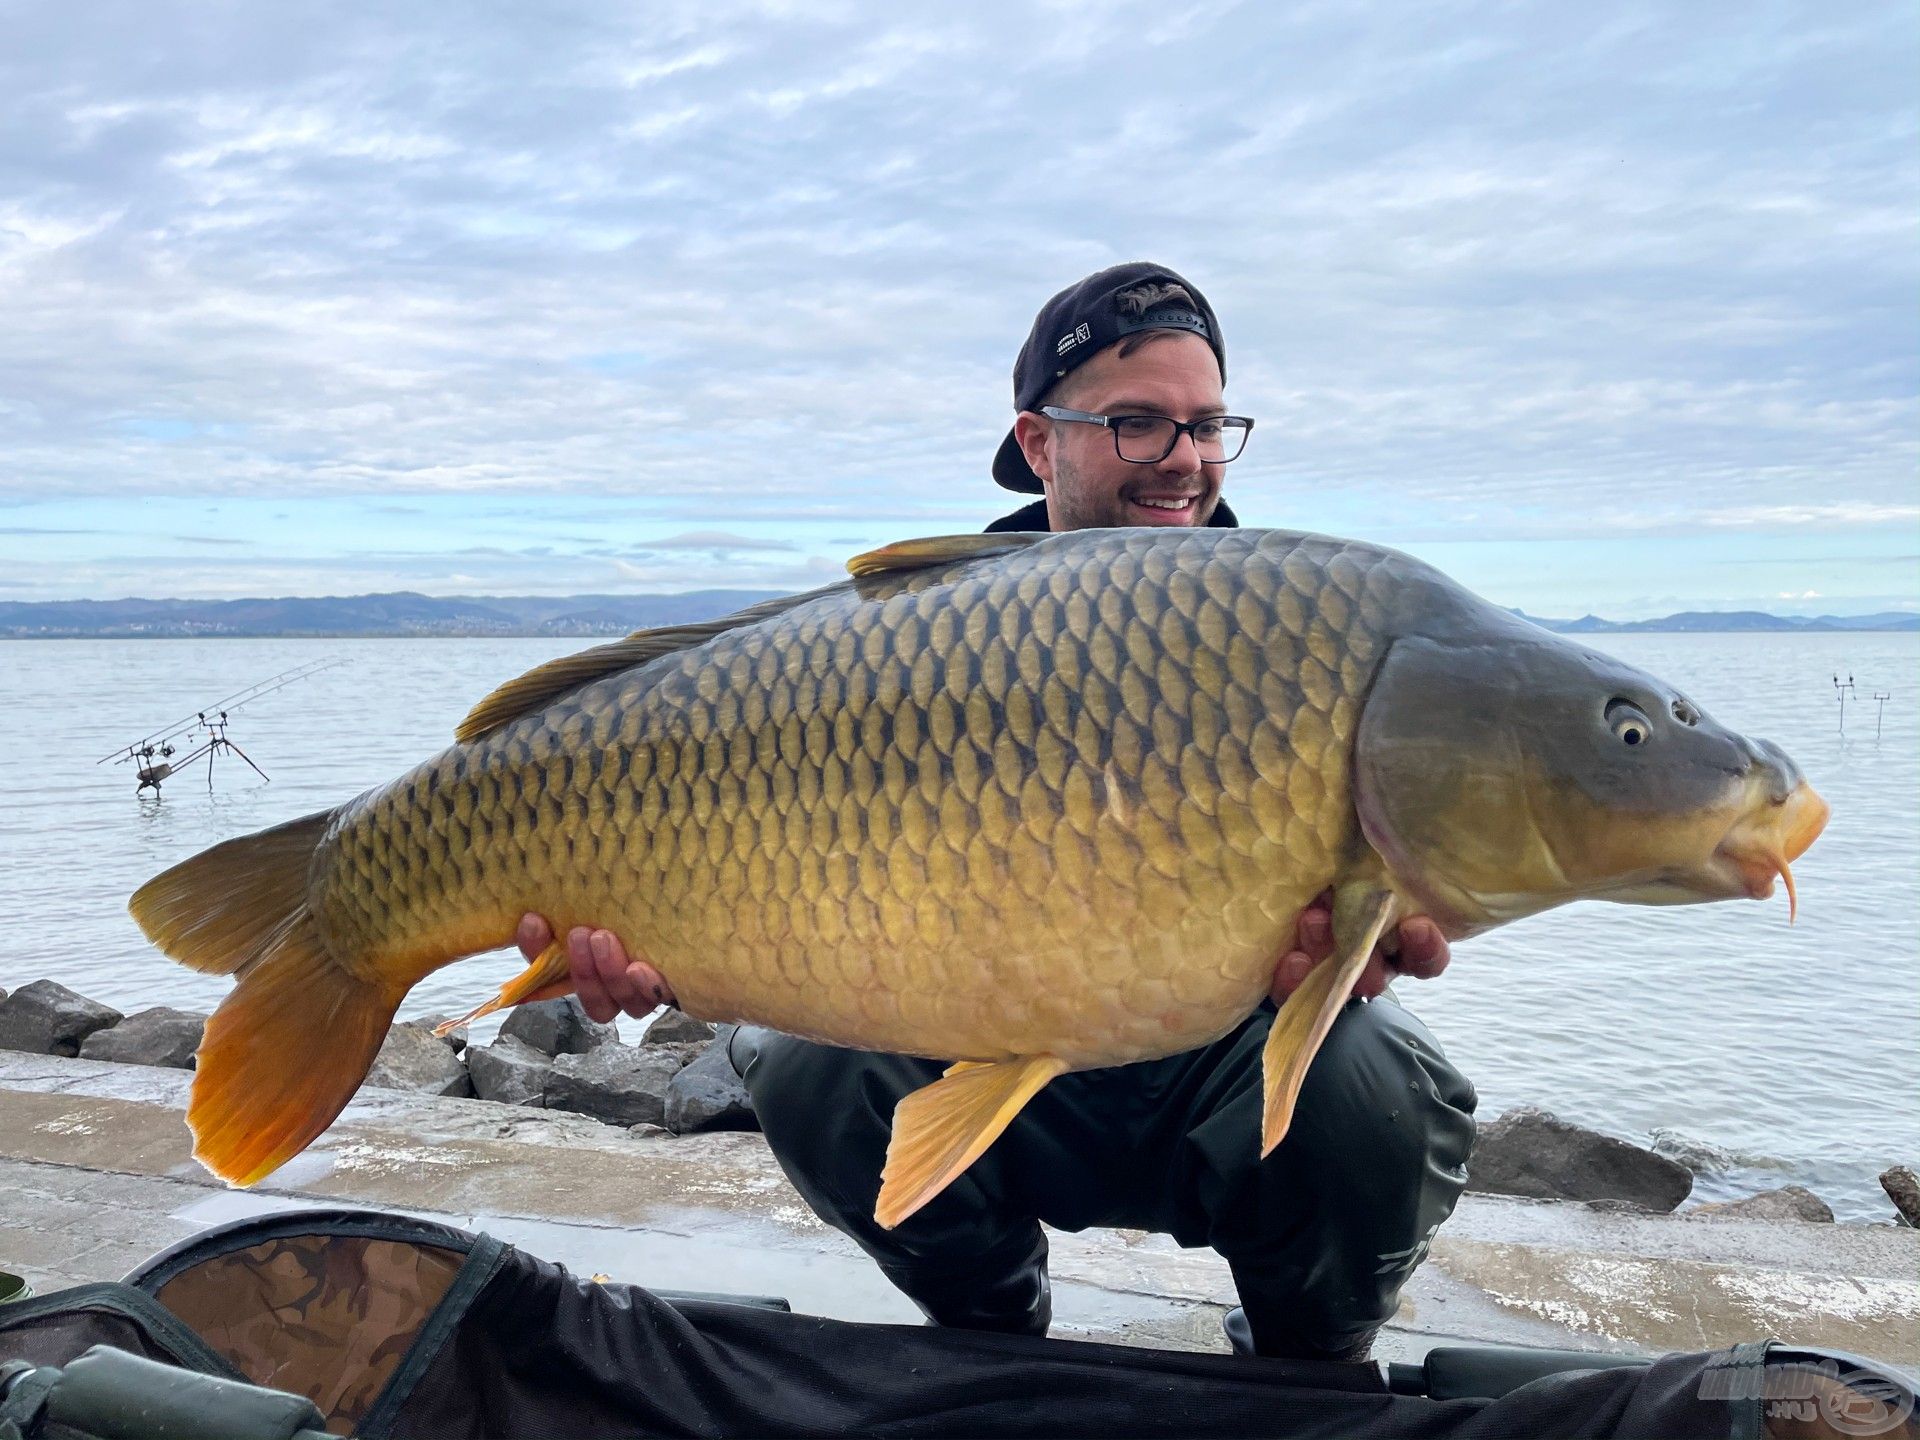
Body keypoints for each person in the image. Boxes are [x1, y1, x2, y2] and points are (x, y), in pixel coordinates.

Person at [517, 263, 1476, 1362]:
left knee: (1379, 1090)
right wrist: (659, 946)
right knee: (807, 1065)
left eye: (1208, 425)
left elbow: (1415, 875)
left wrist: (1377, 934)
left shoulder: (1299, 638)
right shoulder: (916, 642)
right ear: (1037, 442)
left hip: (1219, 1063)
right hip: (979, 1050)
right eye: (1135, 424)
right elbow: (760, 865)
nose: (1182, 459)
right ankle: (990, 1342)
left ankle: (1311, 1364)